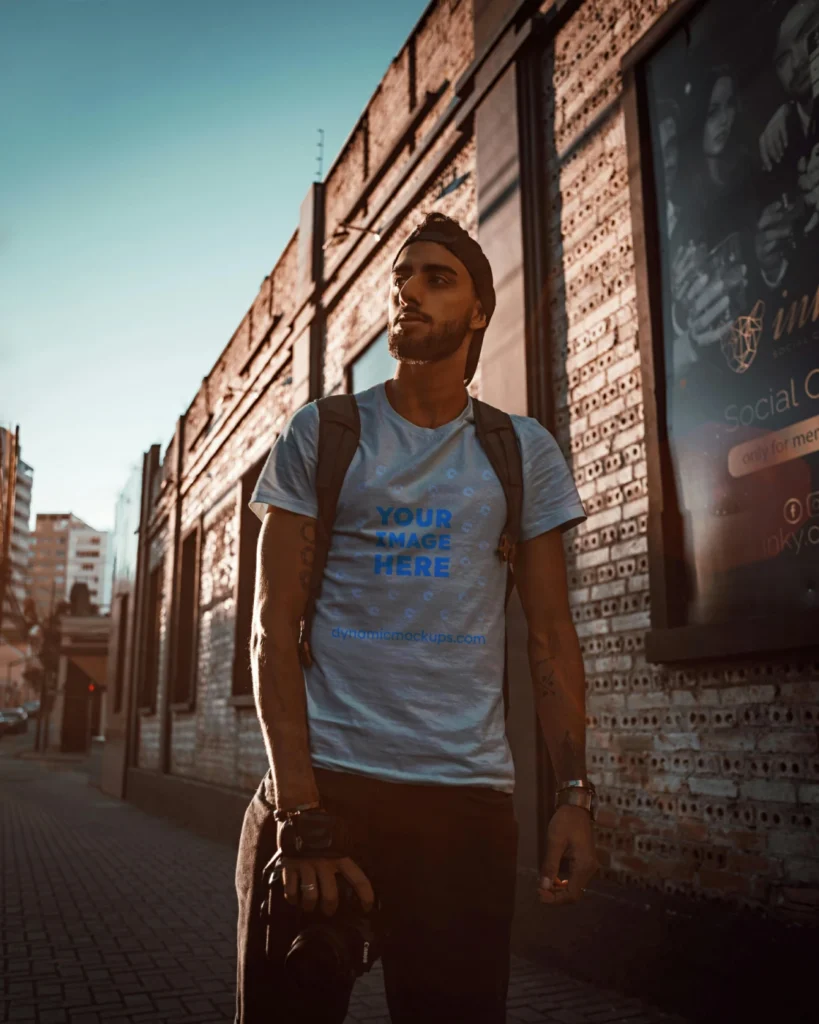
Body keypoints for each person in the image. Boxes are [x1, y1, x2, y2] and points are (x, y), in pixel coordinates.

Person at [234, 213, 598, 1023]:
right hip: (326, 791)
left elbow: (549, 635)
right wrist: (300, 813)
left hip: (460, 806)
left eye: (438, 278)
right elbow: (270, 625)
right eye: (404, 276)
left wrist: (573, 794)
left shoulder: (521, 451)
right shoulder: (325, 433)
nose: (409, 290)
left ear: (478, 312)